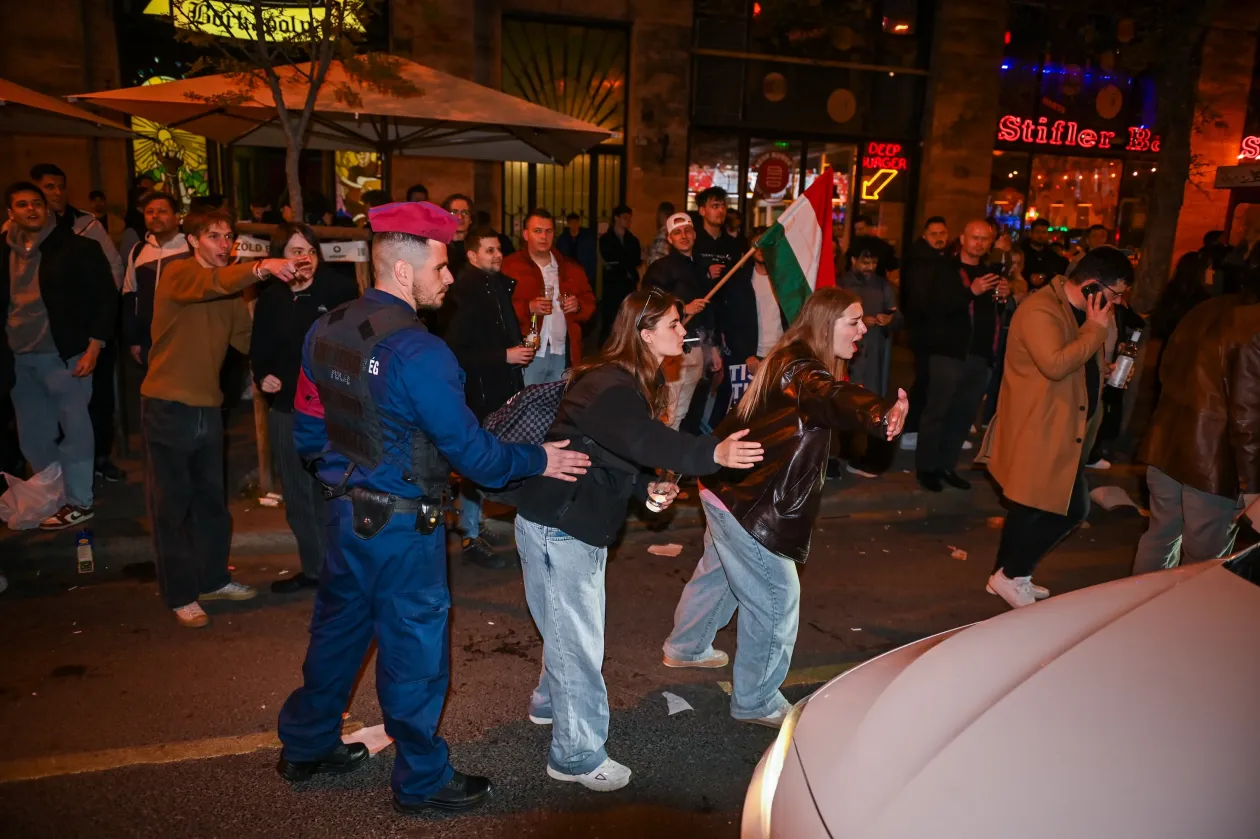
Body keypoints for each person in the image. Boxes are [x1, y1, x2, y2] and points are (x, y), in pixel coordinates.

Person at [276, 201, 591, 814]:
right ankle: (421, 782)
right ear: (402, 269)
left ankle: (306, 745)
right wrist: (537, 460)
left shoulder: (329, 325)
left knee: (338, 633)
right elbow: (473, 455)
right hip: (400, 525)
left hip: (343, 514)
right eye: (442, 266)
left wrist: (337, 479)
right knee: (414, 652)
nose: (449, 279)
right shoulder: (421, 352)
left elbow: (308, 423)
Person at [513, 288, 765, 791]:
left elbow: (609, 452)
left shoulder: (620, 380)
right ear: (644, 334)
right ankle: (577, 755)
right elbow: (646, 441)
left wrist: (643, 485)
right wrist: (713, 453)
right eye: (674, 324)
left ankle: (548, 704)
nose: (683, 332)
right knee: (578, 642)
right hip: (563, 528)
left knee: (563, 628)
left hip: (553, 518)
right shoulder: (612, 386)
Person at [663, 287, 906, 727]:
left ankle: (687, 647)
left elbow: (830, 394)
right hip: (751, 500)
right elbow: (834, 395)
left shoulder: (787, 355)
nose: (863, 328)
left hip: (725, 485)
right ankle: (755, 700)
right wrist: (879, 413)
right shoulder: (802, 369)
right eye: (852, 321)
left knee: (719, 571)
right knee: (777, 595)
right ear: (824, 324)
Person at [142, 208, 305, 628]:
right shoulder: (179, 274)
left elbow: (245, 338)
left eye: (228, 236)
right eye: (214, 236)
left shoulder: (229, 289)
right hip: (167, 405)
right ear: (193, 239)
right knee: (171, 506)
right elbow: (212, 282)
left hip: (207, 407)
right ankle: (181, 593)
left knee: (212, 503)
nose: (223, 244)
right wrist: (261, 267)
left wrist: (273, 366)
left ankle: (213, 578)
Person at [977, 247, 1133, 608]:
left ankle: (1009, 576)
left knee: (1029, 508)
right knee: (1070, 508)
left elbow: (1076, 359)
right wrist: (1096, 330)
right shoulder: (1041, 309)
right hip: (1040, 426)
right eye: (1116, 294)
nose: (1119, 302)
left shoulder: (1077, 309)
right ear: (1094, 286)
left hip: (1064, 425)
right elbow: (1055, 363)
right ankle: (1010, 575)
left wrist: (1103, 371)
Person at [250, 223, 359, 593]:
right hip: (287, 409)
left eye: (310, 250)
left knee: (336, 492)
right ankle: (313, 569)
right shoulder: (272, 298)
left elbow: (357, 345)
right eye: (295, 251)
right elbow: (259, 349)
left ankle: (343, 567)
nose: (304, 258)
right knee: (297, 493)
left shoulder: (340, 291)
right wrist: (263, 374)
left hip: (332, 410)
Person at [1, 182, 116, 530]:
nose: (31, 209)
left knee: (76, 431)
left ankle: (80, 501)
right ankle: (52, 495)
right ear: (11, 213)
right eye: (22, 205)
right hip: (19, 358)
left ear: (47, 209)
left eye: (37, 203)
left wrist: (94, 346)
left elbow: (105, 299)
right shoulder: (4, 252)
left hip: (66, 354)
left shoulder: (77, 247)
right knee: (33, 436)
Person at [1131, 270, 1260, 575]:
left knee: (1159, 538)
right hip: (1211, 463)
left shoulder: (1203, 310)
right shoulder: (1252, 326)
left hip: (1165, 445)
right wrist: (1252, 485)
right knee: (1204, 559)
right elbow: (1248, 415)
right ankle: (1180, 620)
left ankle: (1140, 612)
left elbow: (1166, 371)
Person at [30, 163, 127, 483]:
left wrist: (99, 316)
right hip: (44, 338)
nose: (56, 193)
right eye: (48, 187)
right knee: (51, 407)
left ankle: (99, 457)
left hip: (91, 331)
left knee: (98, 398)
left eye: (60, 186)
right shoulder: (17, 235)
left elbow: (114, 268)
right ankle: (54, 471)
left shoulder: (87, 225)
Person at [442, 225, 531, 570]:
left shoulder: (495, 287)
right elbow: (453, 352)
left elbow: (498, 335)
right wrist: (503, 356)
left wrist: (518, 346)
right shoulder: (465, 292)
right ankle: (469, 535)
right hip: (477, 395)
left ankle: (474, 526)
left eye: (499, 249)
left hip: (501, 389)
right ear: (472, 255)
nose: (497, 255)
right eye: (489, 250)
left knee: (488, 459)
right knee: (473, 462)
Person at [915, 220, 1007, 492]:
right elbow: (935, 307)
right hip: (948, 353)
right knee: (938, 412)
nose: (979, 243)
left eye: (984, 239)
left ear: (990, 243)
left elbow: (992, 316)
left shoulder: (990, 273)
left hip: (979, 355)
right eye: (974, 237)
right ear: (963, 239)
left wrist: (1002, 298)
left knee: (963, 415)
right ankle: (927, 468)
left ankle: (947, 466)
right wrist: (971, 291)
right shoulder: (945, 268)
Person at [504, 208, 596, 385]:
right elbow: (498, 309)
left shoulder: (570, 268)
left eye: (548, 231)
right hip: (528, 353)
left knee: (560, 409)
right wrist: (528, 308)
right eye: (537, 231)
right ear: (525, 234)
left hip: (563, 352)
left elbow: (590, 304)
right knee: (527, 407)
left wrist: (577, 306)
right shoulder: (510, 267)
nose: (543, 236)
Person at [642, 212, 716, 429]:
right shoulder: (660, 268)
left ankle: (669, 460)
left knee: (681, 412)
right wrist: (684, 308)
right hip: (672, 352)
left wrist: (713, 349)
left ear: (694, 234)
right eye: (677, 232)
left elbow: (709, 312)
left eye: (688, 230)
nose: (683, 236)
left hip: (696, 348)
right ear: (669, 239)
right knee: (667, 412)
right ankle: (659, 461)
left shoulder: (701, 268)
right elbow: (649, 304)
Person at [708, 231, 788, 431]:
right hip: (747, 359)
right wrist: (747, 355)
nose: (762, 250)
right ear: (750, 250)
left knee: (771, 415)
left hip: (777, 356)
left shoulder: (786, 282)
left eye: (767, 245)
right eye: (758, 244)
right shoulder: (740, 280)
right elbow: (731, 322)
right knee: (738, 415)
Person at [898, 216, 950, 450]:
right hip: (926, 332)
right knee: (925, 380)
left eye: (942, 234)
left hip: (931, 331)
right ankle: (911, 428)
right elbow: (920, 299)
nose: (939, 238)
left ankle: (918, 428)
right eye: (934, 234)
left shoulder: (937, 258)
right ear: (925, 236)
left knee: (931, 380)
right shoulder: (922, 261)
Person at [122, 191, 190, 371]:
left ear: (177, 217)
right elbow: (130, 295)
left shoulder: (192, 248)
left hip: (186, 338)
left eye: (162, 211)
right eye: (149, 212)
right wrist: (133, 339)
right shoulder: (138, 251)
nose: (155, 216)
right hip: (149, 341)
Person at [597, 204, 642, 344]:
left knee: (628, 317)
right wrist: (623, 263)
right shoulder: (606, 239)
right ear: (616, 218)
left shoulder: (633, 240)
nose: (627, 221)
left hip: (628, 285)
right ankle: (605, 346)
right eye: (625, 218)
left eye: (629, 218)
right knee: (610, 317)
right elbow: (610, 257)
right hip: (613, 285)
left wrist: (621, 263)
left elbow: (635, 259)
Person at [1020, 218, 1068, 288]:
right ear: (1031, 233)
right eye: (1037, 232)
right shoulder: (1022, 251)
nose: (1041, 235)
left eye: (1044, 232)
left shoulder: (1052, 255)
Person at [850, 214, 899, 283]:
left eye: (861, 229)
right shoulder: (854, 246)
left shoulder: (883, 246)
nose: (857, 232)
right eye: (856, 230)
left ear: (870, 228)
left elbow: (894, 268)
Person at [556, 212, 598, 286]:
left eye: (576, 222)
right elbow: (558, 256)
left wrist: (590, 274)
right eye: (572, 223)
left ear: (579, 223)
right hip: (568, 272)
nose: (574, 225)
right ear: (568, 224)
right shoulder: (562, 239)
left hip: (584, 271)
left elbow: (592, 256)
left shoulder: (587, 238)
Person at [440, 193, 474, 277]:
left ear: (471, 219)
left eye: (465, 213)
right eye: (453, 212)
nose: (459, 217)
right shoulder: (437, 247)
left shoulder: (479, 246)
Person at [645, 201, 675, 266]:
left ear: (661, 214)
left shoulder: (663, 234)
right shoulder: (672, 231)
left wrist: (646, 255)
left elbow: (656, 261)